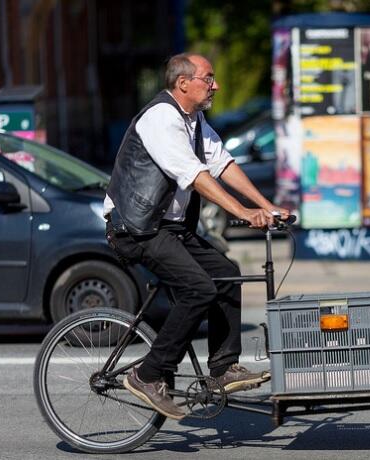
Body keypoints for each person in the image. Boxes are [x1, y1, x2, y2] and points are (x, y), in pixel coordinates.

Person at [103, 52, 289, 420]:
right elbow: (194, 175)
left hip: (167, 228)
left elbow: (222, 164)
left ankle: (222, 368)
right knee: (198, 289)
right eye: (208, 78)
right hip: (136, 228)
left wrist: (267, 207)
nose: (215, 85)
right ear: (183, 83)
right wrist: (242, 212)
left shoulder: (195, 120)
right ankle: (147, 375)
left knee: (227, 272)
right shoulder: (161, 119)